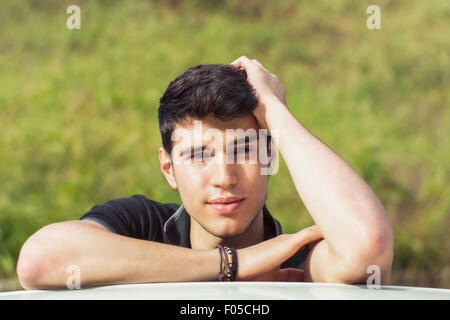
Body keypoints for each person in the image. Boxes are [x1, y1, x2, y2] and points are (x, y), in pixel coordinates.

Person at [16, 56, 394, 289]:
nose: (224, 177)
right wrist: (234, 265)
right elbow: (40, 261)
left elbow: (369, 244)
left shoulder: (298, 261)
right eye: (198, 154)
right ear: (169, 168)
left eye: (244, 150)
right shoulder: (139, 226)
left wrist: (276, 112)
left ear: (269, 156)